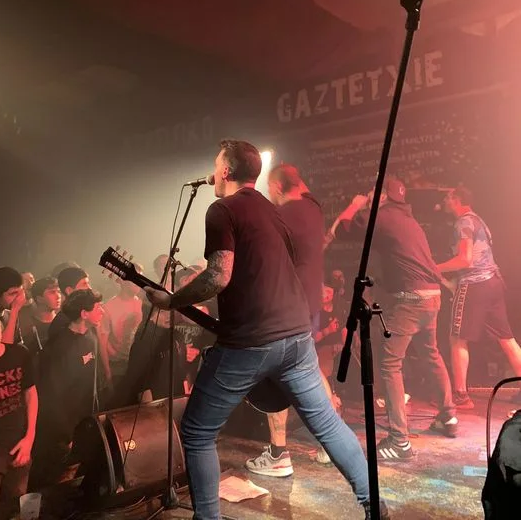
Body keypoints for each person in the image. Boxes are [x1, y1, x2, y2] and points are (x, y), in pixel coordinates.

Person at [146, 139, 388, 520]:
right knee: (327, 424)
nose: (212, 172)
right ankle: (374, 504)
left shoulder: (221, 210)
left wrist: (172, 300)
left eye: (216, 164)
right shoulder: (272, 211)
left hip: (252, 342)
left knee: (196, 430)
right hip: (297, 336)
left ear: (226, 171)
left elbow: (218, 275)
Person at [328, 177, 457, 462]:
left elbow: (340, 230)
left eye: (372, 191)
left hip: (411, 299)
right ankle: (449, 416)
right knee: (431, 353)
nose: (368, 195)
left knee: (390, 363)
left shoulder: (381, 215)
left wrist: (355, 205)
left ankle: (399, 441)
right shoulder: (408, 219)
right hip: (432, 295)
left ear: (382, 195)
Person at [246, 163, 340, 476]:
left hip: (284, 307)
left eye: (270, 189)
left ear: (276, 187)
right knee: (310, 370)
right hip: (308, 305)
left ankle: (277, 454)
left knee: (274, 374)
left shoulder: (283, 215)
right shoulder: (313, 210)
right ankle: (331, 443)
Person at [438, 185, 521, 409]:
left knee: (457, 338)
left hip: (474, 284)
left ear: (457, 200)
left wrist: (434, 268)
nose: (444, 201)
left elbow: (465, 260)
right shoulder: (479, 221)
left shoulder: (463, 223)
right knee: (507, 339)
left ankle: (461, 396)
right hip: (494, 282)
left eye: (447, 197)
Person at [31, 289, 103, 488]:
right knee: (56, 480)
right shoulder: (60, 347)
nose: (102, 311)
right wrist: (67, 434)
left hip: (85, 422)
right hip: (62, 432)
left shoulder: (91, 336)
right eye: (98, 308)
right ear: (84, 313)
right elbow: (53, 394)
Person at [0, 307, 38, 507]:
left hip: (20, 446)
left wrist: (29, 438)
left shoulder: (19, 354)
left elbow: (30, 394)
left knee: (17, 504)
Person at [98, 276, 142, 389]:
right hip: (118, 366)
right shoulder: (108, 307)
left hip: (139, 361)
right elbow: (102, 343)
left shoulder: (143, 303)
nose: (138, 283)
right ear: (121, 281)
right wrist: (108, 373)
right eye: (134, 278)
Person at [19, 276, 62, 363]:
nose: (58, 296)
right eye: (52, 292)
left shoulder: (64, 321)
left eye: (59, 291)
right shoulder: (28, 327)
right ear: (39, 298)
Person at [0, 267, 26, 345]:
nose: (19, 298)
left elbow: (17, 346)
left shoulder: (10, 314)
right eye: (13, 293)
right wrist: (14, 311)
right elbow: (3, 350)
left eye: (21, 292)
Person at [48, 266, 91, 339]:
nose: (89, 288)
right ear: (69, 291)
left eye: (88, 283)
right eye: (84, 284)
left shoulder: (87, 312)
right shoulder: (62, 323)